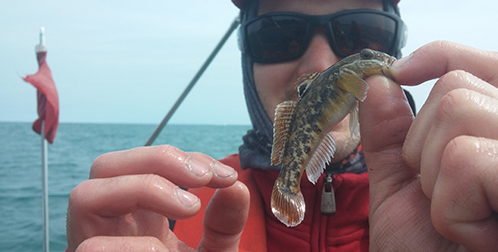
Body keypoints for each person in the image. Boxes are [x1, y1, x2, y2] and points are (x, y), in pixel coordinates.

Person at [65, 0, 498, 251]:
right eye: (278, 35)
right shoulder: (174, 216)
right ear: (246, 55)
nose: (319, 62)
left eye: (359, 32)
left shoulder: (468, 207)